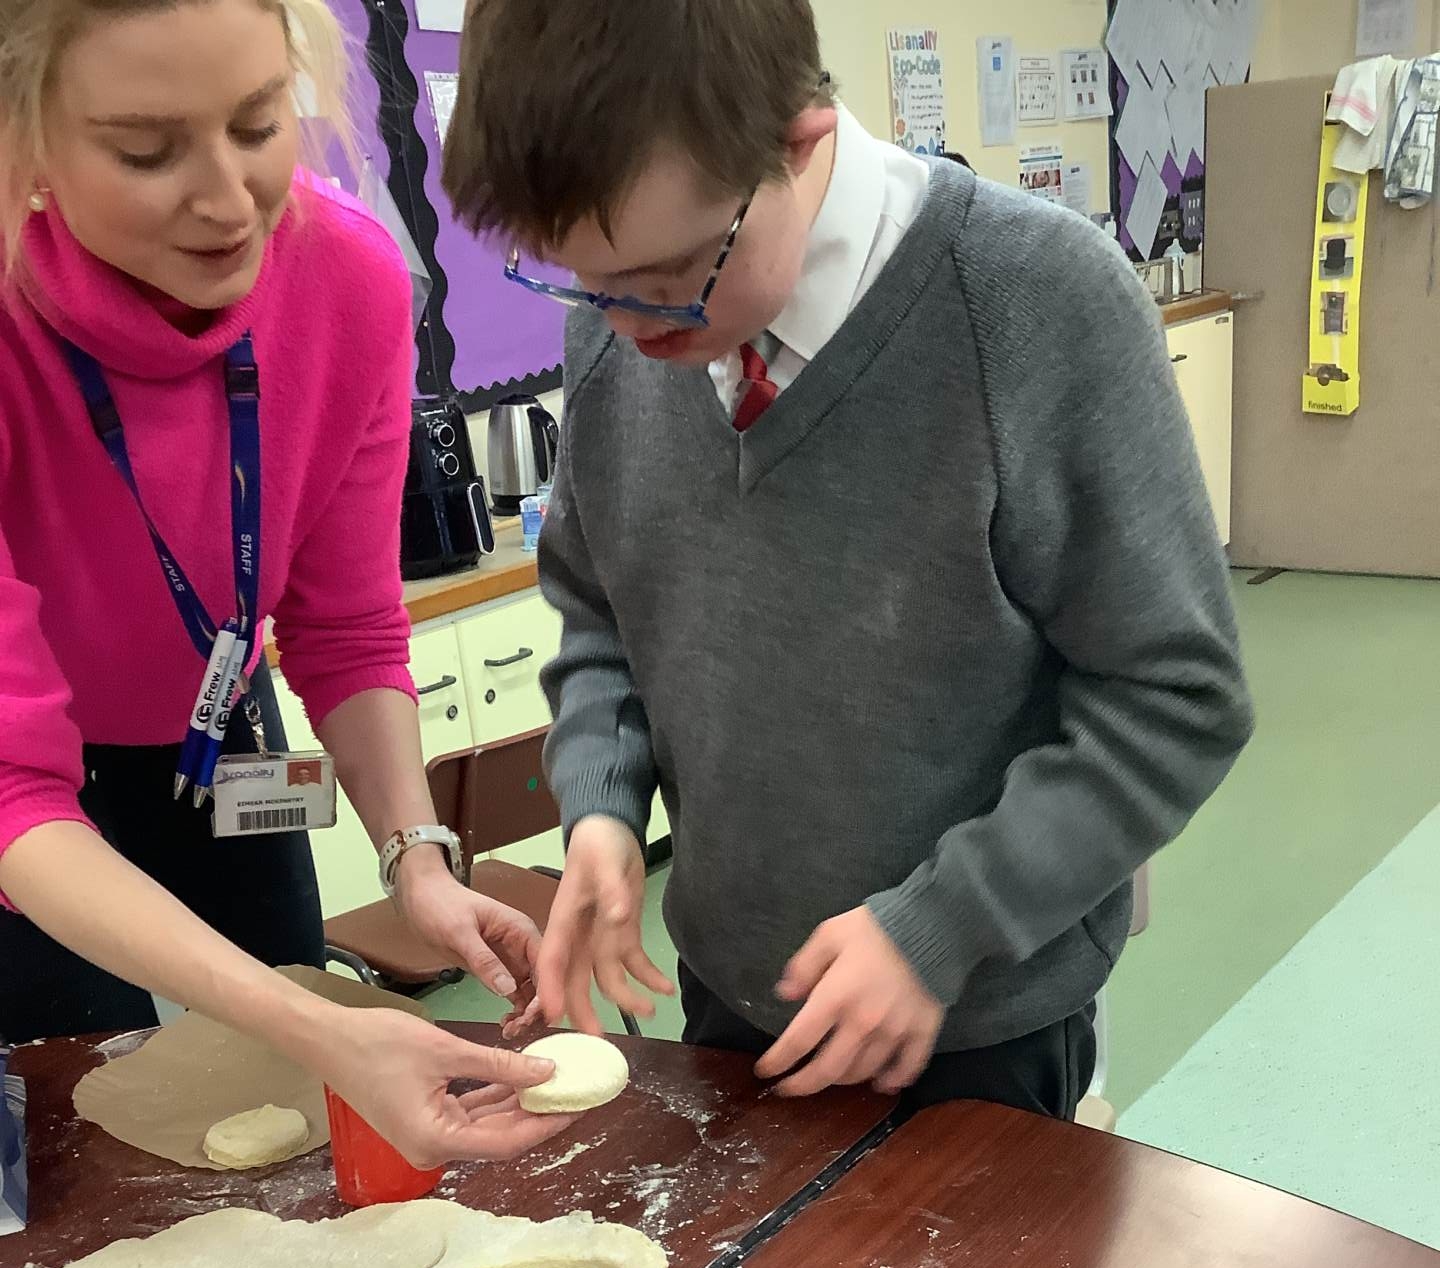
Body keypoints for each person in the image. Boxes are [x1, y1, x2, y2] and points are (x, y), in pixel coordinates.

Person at [443, 0, 1253, 1121]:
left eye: (670, 273)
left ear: (799, 138)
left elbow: (1177, 697)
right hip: (730, 992)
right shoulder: (621, 328)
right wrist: (602, 806)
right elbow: (602, 620)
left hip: (973, 1028)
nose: (627, 326)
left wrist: (940, 927)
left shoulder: (1033, 302)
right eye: (582, 282)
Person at [0, 0, 567, 1166]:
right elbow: (14, 791)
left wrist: (417, 859)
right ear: (27, 141)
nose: (227, 200)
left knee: (301, 1116)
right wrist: (324, 1028)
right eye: (146, 151)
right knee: (70, 1141)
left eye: (259, 124)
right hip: (27, 800)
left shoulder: (346, 278)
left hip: (220, 739)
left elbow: (349, 631)